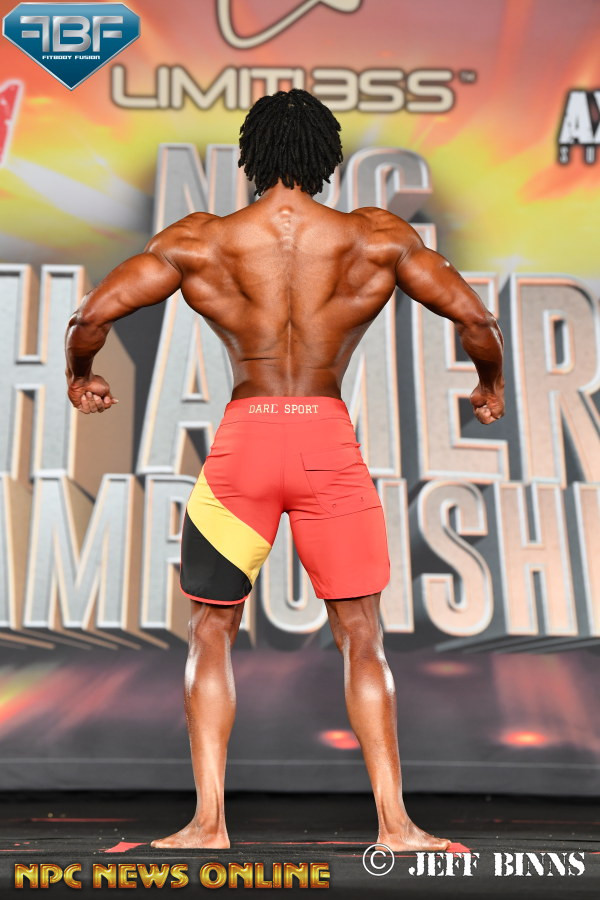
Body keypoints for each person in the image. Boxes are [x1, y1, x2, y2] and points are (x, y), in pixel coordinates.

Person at [65, 88, 504, 852]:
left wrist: (81, 376)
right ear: (327, 158)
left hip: (245, 447)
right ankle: (397, 825)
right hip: (327, 446)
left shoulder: (203, 239)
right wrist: (490, 385)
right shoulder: (376, 237)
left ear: (252, 157)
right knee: (361, 635)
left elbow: (91, 317)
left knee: (211, 630)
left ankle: (207, 824)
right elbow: (475, 318)